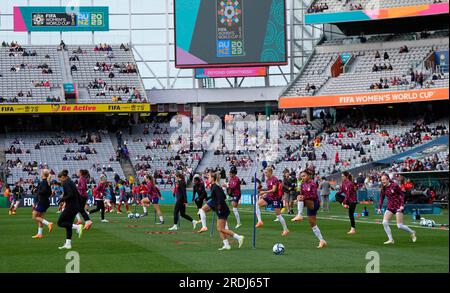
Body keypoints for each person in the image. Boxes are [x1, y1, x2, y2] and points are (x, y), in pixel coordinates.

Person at [209, 172, 244, 251]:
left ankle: (238, 237)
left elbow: (221, 198)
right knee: (219, 228)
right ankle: (226, 245)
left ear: (213, 178)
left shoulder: (215, 187)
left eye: (209, 177)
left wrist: (218, 206)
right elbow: (224, 196)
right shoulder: (217, 186)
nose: (208, 179)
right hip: (222, 208)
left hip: (222, 209)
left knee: (221, 228)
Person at [378, 174, 417, 245]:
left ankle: (412, 232)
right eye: (381, 180)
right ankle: (391, 240)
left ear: (388, 179)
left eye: (384, 180)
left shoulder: (394, 186)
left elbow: (402, 195)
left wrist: (402, 205)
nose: (382, 181)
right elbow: (381, 198)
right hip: (390, 207)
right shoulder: (383, 188)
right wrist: (379, 208)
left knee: (399, 226)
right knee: (384, 223)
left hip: (398, 206)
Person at [295, 169, 327, 249]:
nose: (302, 177)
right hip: (308, 203)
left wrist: (303, 197)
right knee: (312, 223)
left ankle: (299, 215)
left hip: (315, 203)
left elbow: (314, 196)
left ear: (308, 176)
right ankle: (322, 240)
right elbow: (302, 194)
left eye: (304, 176)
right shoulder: (302, 184)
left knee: (300, 198)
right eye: (301, 176)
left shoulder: (313, 183)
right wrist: (300, 197)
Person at [255, 167, 289, 236]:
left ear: (270, 172)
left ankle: (286, 230)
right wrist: (264, 194)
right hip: (269, 197)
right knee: (257, 204)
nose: (265, 173)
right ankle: (260, 221)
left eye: (266, 172)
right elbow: (269, 190)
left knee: (278, 215)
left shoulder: (274, 179)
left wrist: (264, 192)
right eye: (265, 172)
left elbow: (273, 190)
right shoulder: (267, 180)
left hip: (275, 198)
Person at [57, 170, 84, 250]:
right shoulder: (71, 182)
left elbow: (70, 194)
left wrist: (62, 199)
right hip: (75, 206)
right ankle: (68, 244)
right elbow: (76, 194)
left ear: (63, 177)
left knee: (60, 222)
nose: (60, 181)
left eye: (60, 179)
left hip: (71, 206)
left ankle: (77, 227)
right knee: (68, 225)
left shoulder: (66, 183)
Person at [31, 169, 54, 239]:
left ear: (43, 174)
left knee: (34, 216)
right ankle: (39, 234)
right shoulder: (47, 182)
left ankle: (48, 223)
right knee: (40, 218)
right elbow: (49, 193)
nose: (40, 174)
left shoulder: (43, 182)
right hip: (46, 201)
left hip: (42, 201)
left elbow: (43, 191)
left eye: (41, 173)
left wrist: (37, 190)